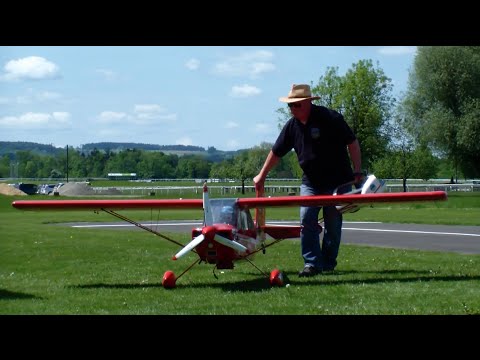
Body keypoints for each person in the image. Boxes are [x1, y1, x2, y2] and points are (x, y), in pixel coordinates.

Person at [253, 84, 364, 277]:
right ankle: (311, 264)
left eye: (296, 105)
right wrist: (262, 175)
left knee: (333, 224)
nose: (292, 109)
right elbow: (277, 152)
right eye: (290, 106)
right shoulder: (291, 126)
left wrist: (357, 171)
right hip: (311, 182)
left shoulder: (331, 118)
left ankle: (328, 264)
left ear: (307, 103)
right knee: (306, 218)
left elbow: (352, 142)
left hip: (337, 181)